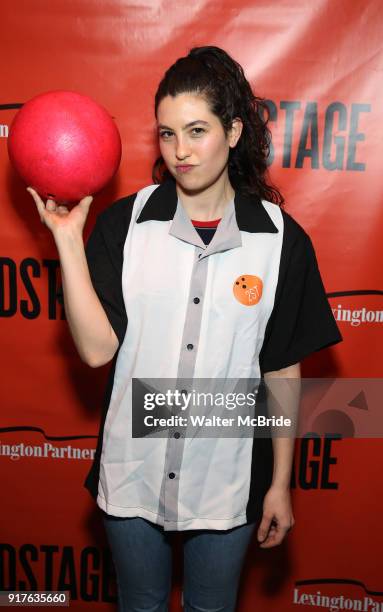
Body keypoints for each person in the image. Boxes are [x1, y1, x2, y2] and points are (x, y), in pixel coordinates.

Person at [27, 46, 342, 612]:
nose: (180, 152)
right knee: (140, 605)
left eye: (197, 131)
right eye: (168, 134)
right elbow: (97, 352)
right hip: (133, 470)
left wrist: (280, 483)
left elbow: (282, 372)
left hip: (227, 479)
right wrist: (68, 240)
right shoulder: (126, 224)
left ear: (234, 130)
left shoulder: (280, 242)